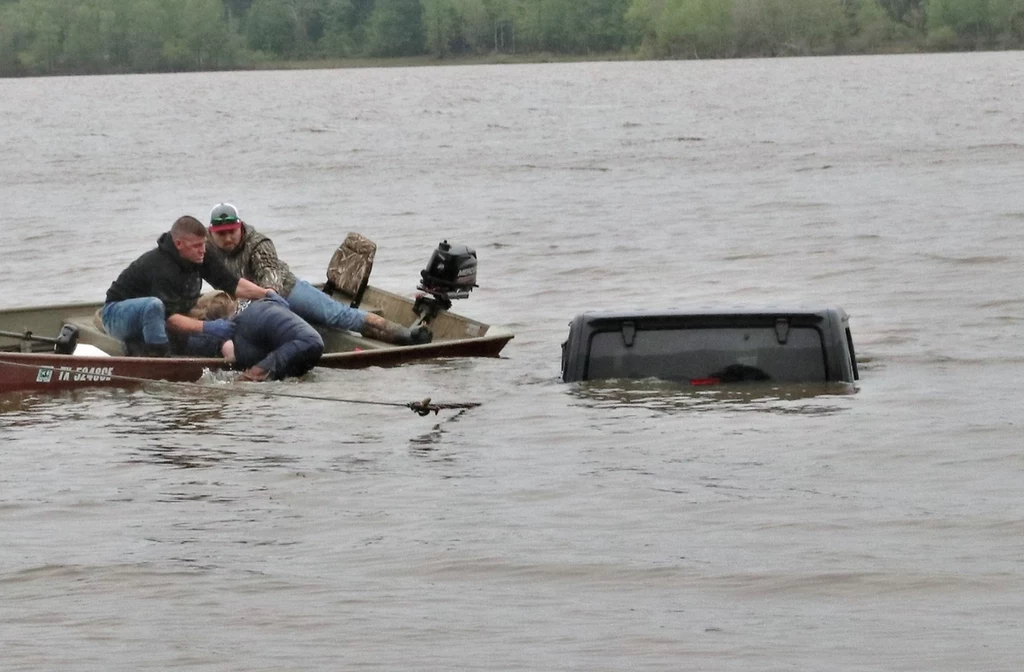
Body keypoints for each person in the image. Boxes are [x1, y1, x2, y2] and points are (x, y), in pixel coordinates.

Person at [206, 203, 432, 346]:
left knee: (337, 316)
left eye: (231, 232)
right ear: (211, 232)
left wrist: (251, 306)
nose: (227, 239)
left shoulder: (259, 244)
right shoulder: (205, 247)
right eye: (221, 234)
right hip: (247, 303)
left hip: (286, 291)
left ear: (240, 227)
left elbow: (271, 283)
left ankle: (405, 335)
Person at [102, 215, 278, 356]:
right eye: (196, 246)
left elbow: (231, 284)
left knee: (215, 318)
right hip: (117, 314)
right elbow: (169, 319)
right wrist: (208, 327)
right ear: (179, 244)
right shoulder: (160, 267)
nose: (202, 250)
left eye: (204, 244)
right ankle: (158, 357)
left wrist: (266, 293)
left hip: (166, 315)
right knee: (154, 307)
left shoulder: (201, 254)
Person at [188, 291, 324, 381]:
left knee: (242, 381)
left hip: (304, 343)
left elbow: (231, 355)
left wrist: (251, 373)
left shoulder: (233, 328)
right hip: (309, 343)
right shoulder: (267, 302)